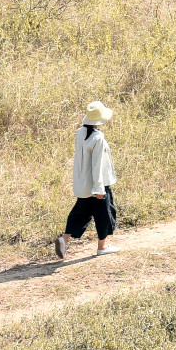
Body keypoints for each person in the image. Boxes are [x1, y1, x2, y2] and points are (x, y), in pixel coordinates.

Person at [55, 101, 120, 259]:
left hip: (83, 184)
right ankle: (102, 247)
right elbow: (97, 165)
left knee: (81, 213)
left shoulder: (80, 132)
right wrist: (99, 189)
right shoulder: (98, 137)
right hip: (97, 184)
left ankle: (64, 239)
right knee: (104, 214)